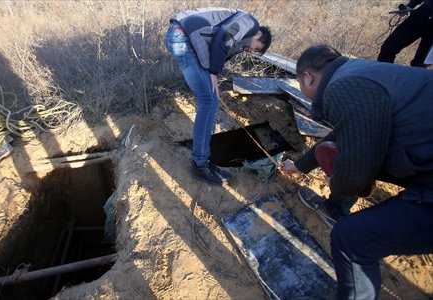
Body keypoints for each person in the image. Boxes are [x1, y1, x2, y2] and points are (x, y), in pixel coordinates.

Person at [281, 44, 433, 299]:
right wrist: (299, 166)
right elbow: (345, 134)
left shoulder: (341, 88)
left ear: (307, 77)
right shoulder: (358, 71)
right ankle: (335, 209)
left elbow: (353, 176)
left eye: (300, 83)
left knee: (351, 239)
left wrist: (337, 183)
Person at [165, 8, 272, 185]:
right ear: (258, 34)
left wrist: (212, 72)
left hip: (183, 37)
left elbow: (220, 49)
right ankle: (200, 165)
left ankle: (203, 160)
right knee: (208, 101)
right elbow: (223, 36)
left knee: (211, 100)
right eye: (256, 48)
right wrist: (213, 71)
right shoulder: (250, 23)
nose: (251, 51)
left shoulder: (241, 41)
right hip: (182, 36)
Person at [377, 0, 433, 67]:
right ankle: (383, 75)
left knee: (421, 63)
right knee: (388, 49)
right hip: (421, 15)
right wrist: (410, 5)